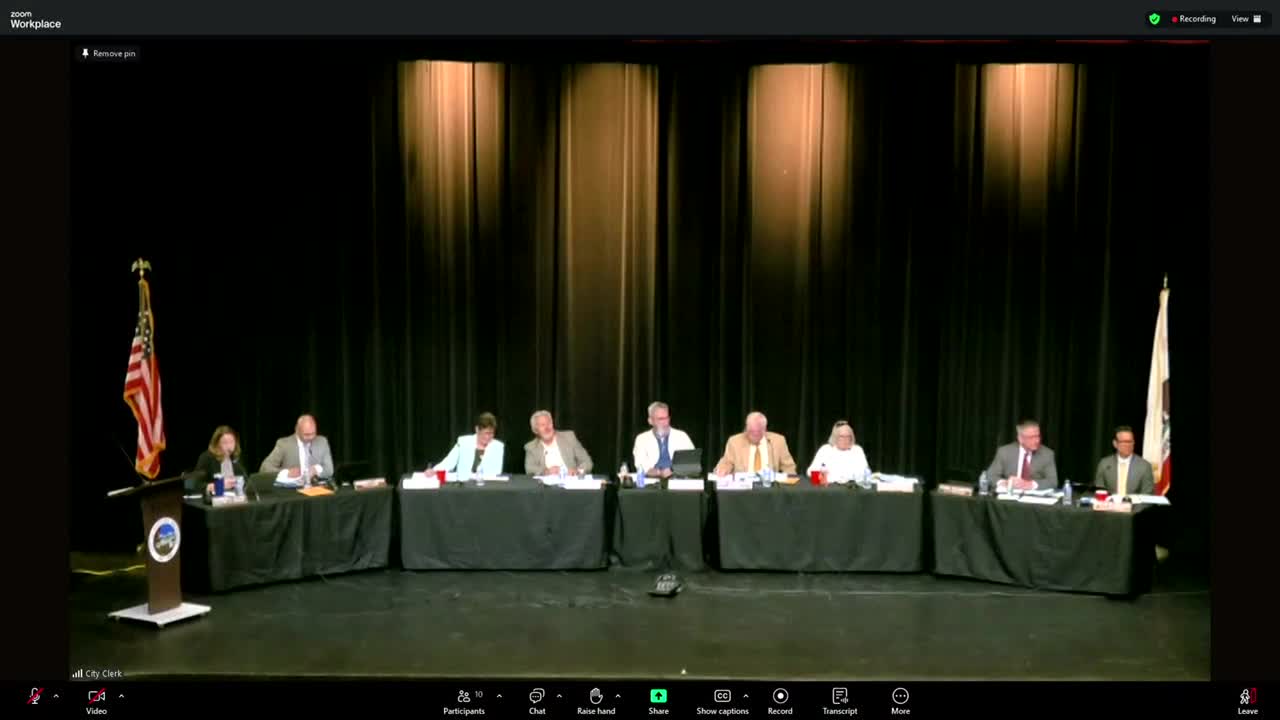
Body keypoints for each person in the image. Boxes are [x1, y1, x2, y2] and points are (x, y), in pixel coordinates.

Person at [714, 411, 797, 475]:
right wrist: (723, 469)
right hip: (744, 487)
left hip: (769, 486)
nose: (753, 436)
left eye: (757, 432)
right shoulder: (735, 441)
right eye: (750, 432)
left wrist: (790, 484)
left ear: (764, 430)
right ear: (746, 428)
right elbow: (727, 461)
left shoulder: (778, 441)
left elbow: (789, 466)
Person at [985, 419, 1058, 491]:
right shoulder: (1004, 452)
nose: (1037, 440)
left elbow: (1053, 481)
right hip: (1010, 495)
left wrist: (1030, 484)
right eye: (1031, 437)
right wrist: (1005, 483)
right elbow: (990, 475)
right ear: (1020, 439)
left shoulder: (1047, 454)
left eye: (1038, 436)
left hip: (1033, 496)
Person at [260, 414, 335, 482]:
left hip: (315, 488)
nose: (311, 437)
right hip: (291, 490)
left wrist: (316, 469)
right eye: (306, 434)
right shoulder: (284, 444)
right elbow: (264, 468)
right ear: (297, 431)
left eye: (313, 433)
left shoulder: (322, 442)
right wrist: (286, 473)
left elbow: (329, 470)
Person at [433, 412, 505, 480]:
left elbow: (496, 471)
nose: (488, 437)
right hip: (464, 485)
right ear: (477, 429)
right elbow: (448, 462)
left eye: (491, 433)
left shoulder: (498, 447)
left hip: (486, 485)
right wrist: (434, 471)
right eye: (486, 433)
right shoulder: (463, 442)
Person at [631, 401, 695, 478]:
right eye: (660, 419)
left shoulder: (682, 436)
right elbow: (641, 466)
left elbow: (692, 462)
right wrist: (660, 473)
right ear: (650, 421)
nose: (665, 423)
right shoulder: (642, 439)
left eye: (667, 418)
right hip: (653, 480)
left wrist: (674, 471)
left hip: (678, 479)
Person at [523, 410, 593, 475]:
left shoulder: (569, 437)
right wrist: (546, 471)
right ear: (535, 430)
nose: (547, 428)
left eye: (549, 423)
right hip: (546, 483)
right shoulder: (531, 447)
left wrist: (577, 471)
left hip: (570, 481)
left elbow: (587, 461)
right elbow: (529, 468)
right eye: (542, 425)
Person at [1093, 425, 1154, 496]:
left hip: (1134, 503)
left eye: (1130, 441)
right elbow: (1099, 491)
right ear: (1115, 444)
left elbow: (1147, 495)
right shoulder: (1104, 464)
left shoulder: (1145, 466)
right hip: (1110, 503)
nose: (1128, 445)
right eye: (1124, 442)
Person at [192, 425, 249, 493]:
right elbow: (195, 485)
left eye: (231, 442)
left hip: (236, 496)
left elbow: (246, 481)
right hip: (215, 497)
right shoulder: (206, 458)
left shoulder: (236, 457)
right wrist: (217, 486)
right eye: (225, 443)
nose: (229, 446)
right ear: (216, 444)